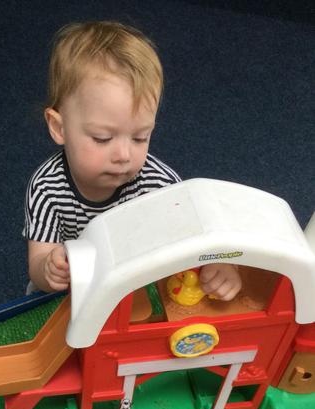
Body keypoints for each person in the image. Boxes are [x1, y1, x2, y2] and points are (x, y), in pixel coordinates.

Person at [23, 20, 241, 299]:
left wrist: (221, 265)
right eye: (102, 138)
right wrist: (49, 269)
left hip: (133, 288)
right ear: (59, 127)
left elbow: (197, 238)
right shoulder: (47, 187)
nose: (124, 156)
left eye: (140, 138)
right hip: (71, 292)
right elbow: (38, 262)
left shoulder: (159, 183)